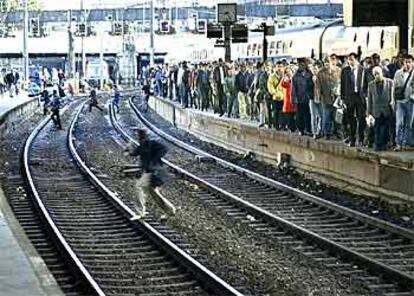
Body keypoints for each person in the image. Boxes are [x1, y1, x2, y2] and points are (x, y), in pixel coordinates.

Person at [124, 129, 176, 220]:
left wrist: (154, 159)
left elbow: (164, 148)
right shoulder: (143, 145)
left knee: (138, 187)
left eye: (140, 136)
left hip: (154, 172)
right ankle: (170, 210)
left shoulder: (151, 143)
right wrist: (128, 147)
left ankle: (141, 213)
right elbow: (133, 153)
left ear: (142, 136)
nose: (140, 138)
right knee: (154, 193)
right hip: (151, 172)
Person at [340, 52, 366, 147]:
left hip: (359, 97)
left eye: (352, 59)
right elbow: (343, 85)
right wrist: (343, 99)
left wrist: (365, 96)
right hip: (349, 97)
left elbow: (365, 83)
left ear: (356, 59)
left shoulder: (362, 70)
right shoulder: (345, 71)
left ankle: (361, 138)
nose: (350, 61)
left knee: (361, 117)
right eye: (349, 59)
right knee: (351, 119)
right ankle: (352, 139)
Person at [367, 66, 394, 151]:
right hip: (376, 110)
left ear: (382, 73)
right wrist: (368, 112)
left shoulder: (390, 82)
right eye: (375, 74)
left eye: (378, 74)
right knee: (377, 128)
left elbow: (392, 97)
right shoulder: (371, 85)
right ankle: (378, 145)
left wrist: (393, 107)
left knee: (385, 128)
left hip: (387, 109)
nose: (377, 76)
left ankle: (384, 144)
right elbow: (370, 99)